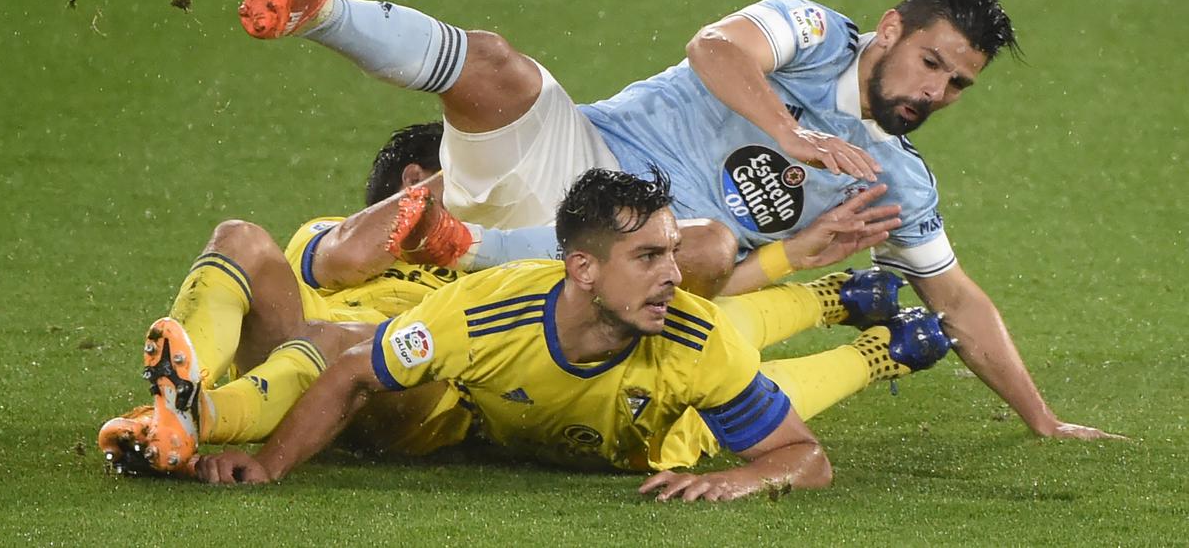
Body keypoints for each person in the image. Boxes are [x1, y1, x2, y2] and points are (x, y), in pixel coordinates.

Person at [237, 0, 1122, 441]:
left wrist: (1038, 416)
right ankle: (314, 11)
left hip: (634, 268)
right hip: (584, 160)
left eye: (958, 85)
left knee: (693, 245)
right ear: (889, 28)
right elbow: (713, 48)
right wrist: (793, 134)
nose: (935, 92)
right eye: (932, 64)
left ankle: (450, 248)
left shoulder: (894, 182)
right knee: (499, 65)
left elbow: (957, 299)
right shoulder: (809, 33)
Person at [98, 125, 919, 475]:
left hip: (395, 381)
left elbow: (670, 277)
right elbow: (347, 251)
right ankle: (186, 403)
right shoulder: (340, 240)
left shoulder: (494, 278)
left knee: (718, 364)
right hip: (342, 368)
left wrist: (784, 262)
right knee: (266, 265)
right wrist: (466, 181)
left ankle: (858, 323)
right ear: (419, 186)